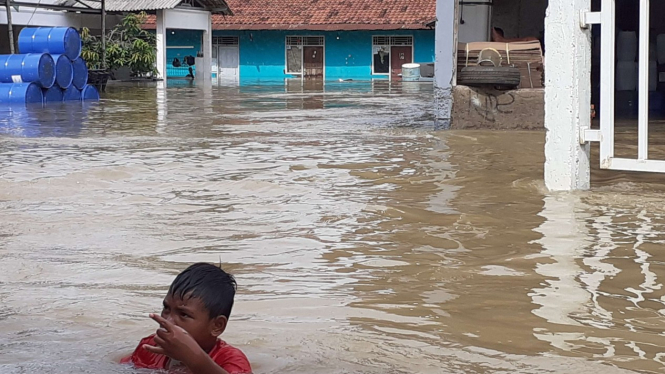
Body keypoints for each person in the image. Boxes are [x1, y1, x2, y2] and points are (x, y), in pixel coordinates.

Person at [121, 263, 252, 374]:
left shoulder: (231, 360)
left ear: (217, 326)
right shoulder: (150, 347)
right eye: (166, 308)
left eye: (184, 314)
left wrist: (193, 357)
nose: (168, 320)